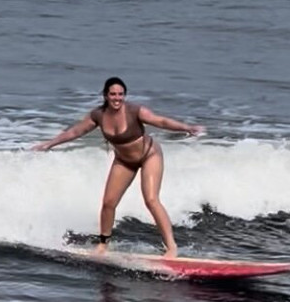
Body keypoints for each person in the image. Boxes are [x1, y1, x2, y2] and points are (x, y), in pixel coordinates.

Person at [32, 77, 204, 258]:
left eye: (120, 94)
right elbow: (75, 132)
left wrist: (187, 127)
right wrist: (49, 144)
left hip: (149, 155)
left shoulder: (134, 111)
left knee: (151, 200)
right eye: (113, 94)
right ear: (106, 95)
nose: (117, 98)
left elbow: (160, 121)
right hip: (124, 161)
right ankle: (103, 245)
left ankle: (171, 247)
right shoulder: (98, 115)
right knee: (108, 203)